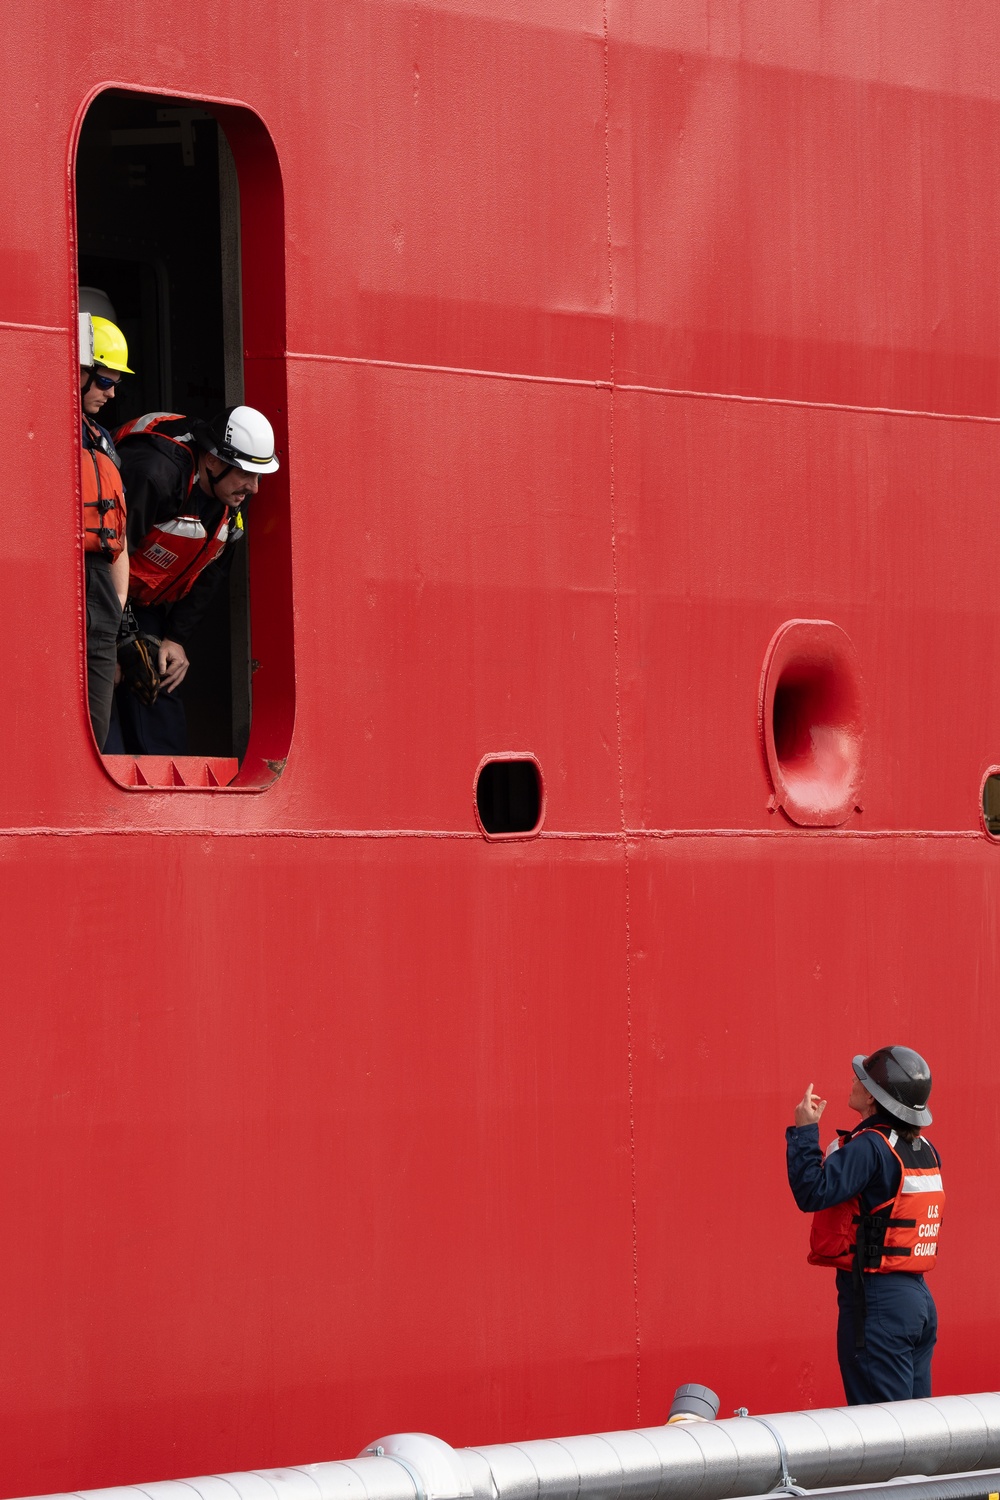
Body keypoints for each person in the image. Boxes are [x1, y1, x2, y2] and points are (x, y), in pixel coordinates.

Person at [112, 405, 279, 754]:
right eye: (246, 474)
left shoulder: (233, 496)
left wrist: (175, 638)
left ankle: (165, 792)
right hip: (98, 591)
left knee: (158, 675)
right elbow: (110, 551)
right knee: (103, 681)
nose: (254, 488)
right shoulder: (156, 473)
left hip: (146, 599)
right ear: (214, 461)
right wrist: (119, 638)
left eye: (258, 476)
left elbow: (214, 570)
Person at [786, 1046, 944, 1405]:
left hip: (878, 1305)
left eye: (863, 1078)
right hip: (917, 1302)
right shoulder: (924, 1149)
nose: (855, 1081)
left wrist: (805, 1131)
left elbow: (812, 1192)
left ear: (875, 1097)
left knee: (884, 1439)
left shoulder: (870, 1147)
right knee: (918, 1434)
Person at [80, 313, 132, 750]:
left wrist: (119, 615)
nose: (111, 392)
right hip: (64, 576)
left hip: (100, 586)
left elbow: (120, 537)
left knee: (95, 724)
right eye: (102, 380)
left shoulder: (103, 440)